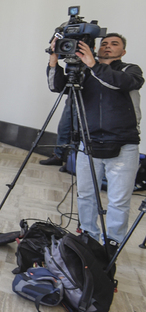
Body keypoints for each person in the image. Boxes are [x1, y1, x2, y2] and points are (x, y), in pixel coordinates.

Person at [47, 33, 144, 248]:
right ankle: (88, 237)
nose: (108, 47)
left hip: (123, 145)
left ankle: (112, 244)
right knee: (86, 195)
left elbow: (120, 83)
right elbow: (57, 87)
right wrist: (54, 59)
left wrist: (92, 64)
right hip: (88, 143)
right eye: (105, 44)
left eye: (114, 44)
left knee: (119, 200)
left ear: (123, 52)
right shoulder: (84, 72)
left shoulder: (130, 70)